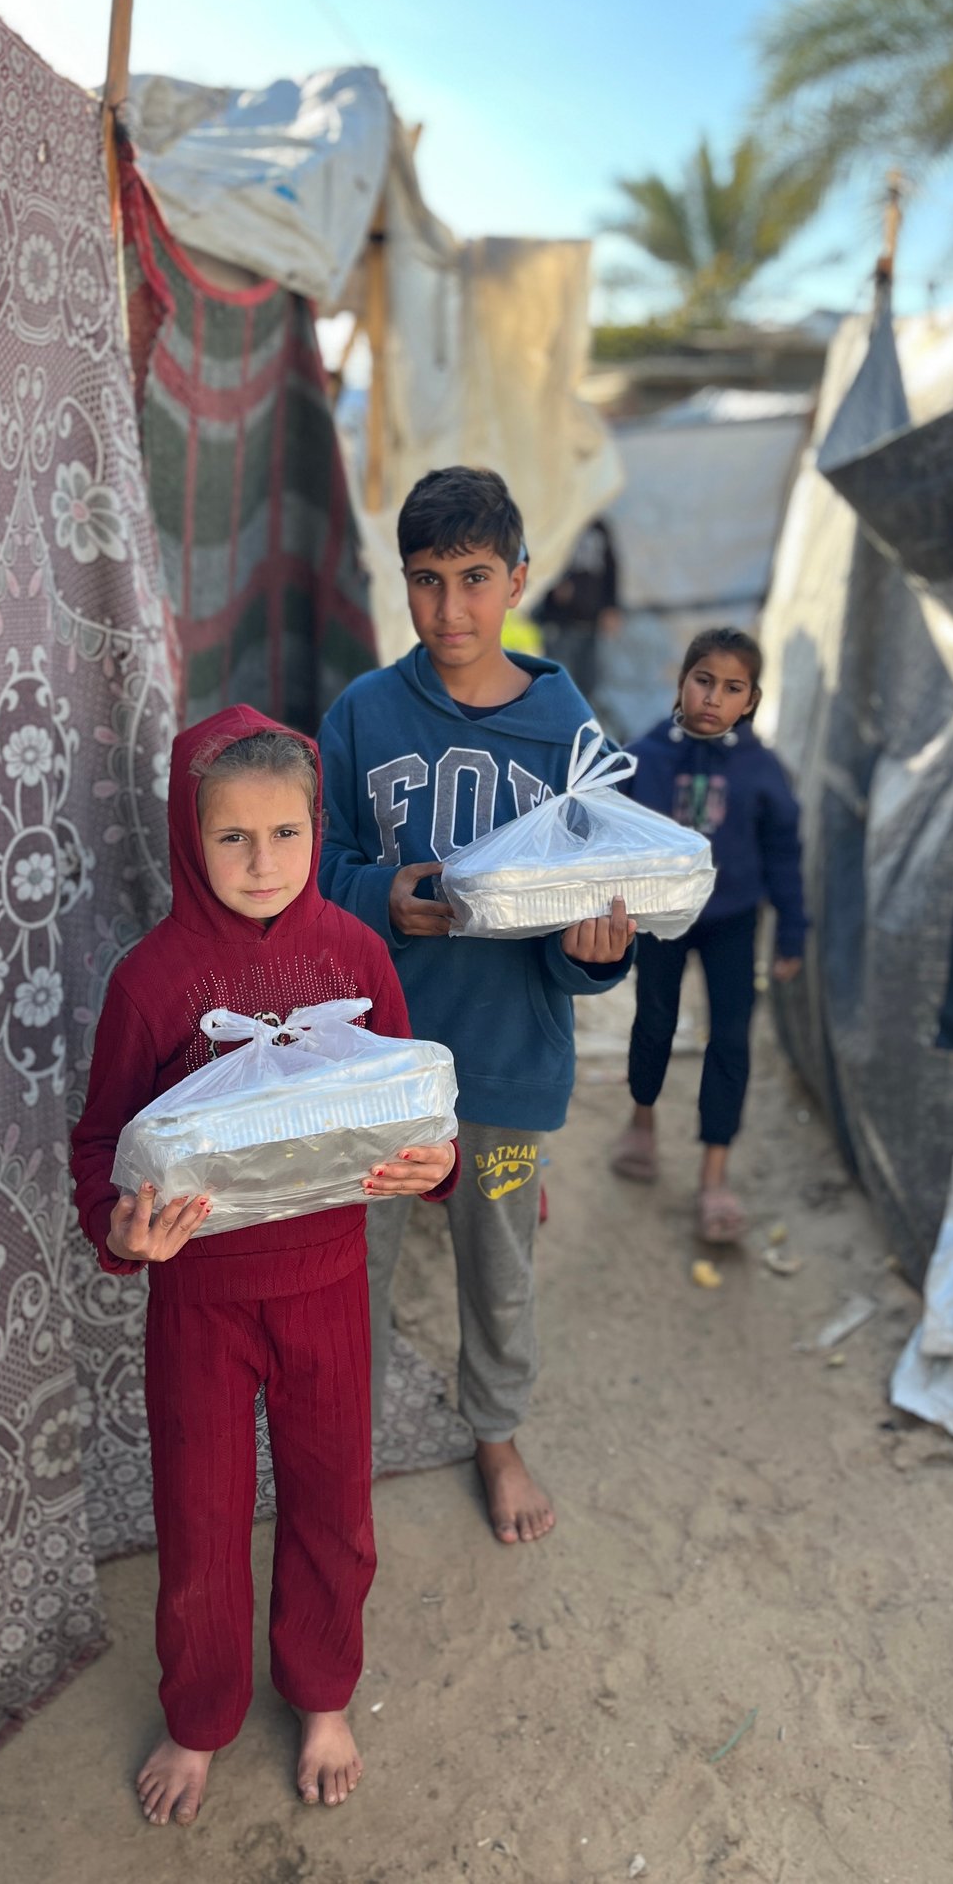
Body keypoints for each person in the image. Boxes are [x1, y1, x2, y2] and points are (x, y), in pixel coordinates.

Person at [69, 707, 457, 1827]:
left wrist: (438, 1165)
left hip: (329, 1282)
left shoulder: (354, 954)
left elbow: (406, 1101)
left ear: (314, 822)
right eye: (232, 838)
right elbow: (101, 1141)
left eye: (286, 834)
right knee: (198, 1518)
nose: (262, 863)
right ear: (190, 838)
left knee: (334, 1501)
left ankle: (323, 1692)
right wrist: (119, 1225)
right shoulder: (154, 980)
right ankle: (199, 1717)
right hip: (200, 1301)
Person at [318, 466, 635, 1548]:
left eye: (473, 578)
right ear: (398, 582)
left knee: (496, 1261)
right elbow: (321, 875)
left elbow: (592, 916)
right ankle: (340, 1447)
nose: (449, 609)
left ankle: (494, 1435)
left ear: (518, 581)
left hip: (505, 1073)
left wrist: (598, 953)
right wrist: (380, 897)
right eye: (425, 581)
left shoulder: (567, 736)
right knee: (348, 1264)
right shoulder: (362, 713)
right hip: (377, 1064)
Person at [608, 628, 805, 1241]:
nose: (714, 697)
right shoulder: (643, 758)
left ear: (751, 699)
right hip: (664, 918)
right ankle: (642, 1119)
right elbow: (609, 836)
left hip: (733, 921)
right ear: (682, 682)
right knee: (654, 1020)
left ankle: (714, 1172)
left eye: (732, 687)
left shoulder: (762, 770)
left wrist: (793, 933)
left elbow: (784, 854)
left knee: (731, 1039)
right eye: (704, 680)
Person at [537, 516, 621, 704]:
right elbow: (541, 561)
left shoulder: (598, 526)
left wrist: (611, 606)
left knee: (588, 683)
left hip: (591, 621)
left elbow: (611, 568)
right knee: (561, 680)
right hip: (560, 621)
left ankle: (581, 727)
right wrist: (554, 586)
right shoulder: (559, 520)